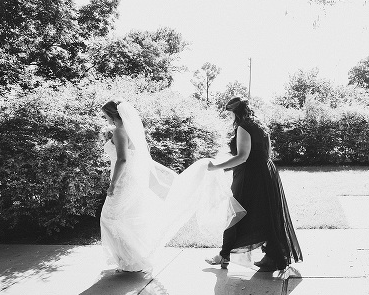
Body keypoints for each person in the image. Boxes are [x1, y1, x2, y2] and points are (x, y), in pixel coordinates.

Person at [100, 99, 245, 272]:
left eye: (105, 115)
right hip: (133, 180)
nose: (105, 118)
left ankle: (129, 259)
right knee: (126, 219)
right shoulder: (130, 131)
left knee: (109, 219)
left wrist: (113, 184)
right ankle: (131, 260)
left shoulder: (119, 132)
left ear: (111, 115)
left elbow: (122, 160)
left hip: (123, 181)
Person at [206, 97, 302, 272]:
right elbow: (267, 153)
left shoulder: (243, 127)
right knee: (265, 214)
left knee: (235, 213)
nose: (230, 117)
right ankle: (272, 257)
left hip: (249, 176)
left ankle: (224, 255)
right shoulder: (261, 126)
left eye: (230, 114)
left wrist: (216, 167)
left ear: (235, 112)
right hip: (266, 174)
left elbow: (243, 157)